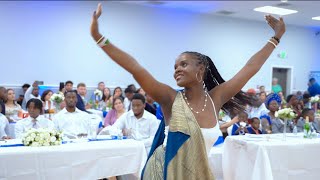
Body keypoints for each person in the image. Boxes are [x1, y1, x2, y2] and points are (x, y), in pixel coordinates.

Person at [90, 3, 285, 179]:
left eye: (183, 64)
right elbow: (135, 67)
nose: (177, 69)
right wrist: (99, 38)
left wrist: (276, 37)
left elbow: (251, 67)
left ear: (200, 70)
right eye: (175, 66)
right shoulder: (169, 98)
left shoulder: (215, 99)